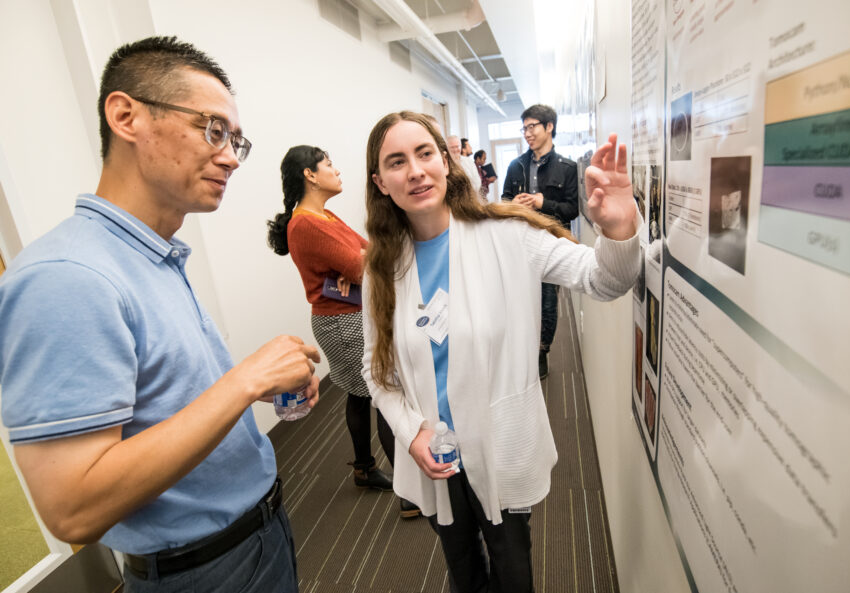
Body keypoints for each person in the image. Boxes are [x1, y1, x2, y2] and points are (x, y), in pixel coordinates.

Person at [0, 36, 319, 592]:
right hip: (201, 572)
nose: (229, 156)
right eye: (213, 129)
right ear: (126, 117)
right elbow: (74, 507)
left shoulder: (151, 252)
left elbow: (156, 403)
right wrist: (244, 383)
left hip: (256, 536)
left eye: (236, 141)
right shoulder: (67, 277)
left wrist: (250, 385)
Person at [361, 110, 641, 593]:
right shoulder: (382, 267)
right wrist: (410, 436)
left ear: (447, 163)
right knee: (463, 573)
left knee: (514, 572)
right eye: (397, 162)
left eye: (426, 154)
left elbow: (605, 280)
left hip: (499, 447)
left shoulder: (509, 236)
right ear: (381, 182)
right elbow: (376, 368)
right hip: (436, 456)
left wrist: (618, 230)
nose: (415, 171)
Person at [265, 145, 420, 519]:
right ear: (309, 175)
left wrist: (370, 256)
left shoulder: (325, 216)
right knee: (382, 393)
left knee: (358, 391)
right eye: (329, 164)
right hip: (342, 322)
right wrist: (370, 258)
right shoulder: (305, 223)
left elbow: (370, 250)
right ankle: (408, 491)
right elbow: (361, 266)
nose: (337, 170)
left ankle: (364, 469)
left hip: (348, 316)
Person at [501, 104, 580, 380]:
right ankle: (522, 349)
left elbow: (572, 209)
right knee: (519, 299)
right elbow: (503, 202)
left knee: (547, 301)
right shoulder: (516, 166)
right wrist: (516, 205)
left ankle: (541, 352)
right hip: (519, 243)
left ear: (549, 127)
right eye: (524, 128)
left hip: (551, 244)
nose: (527, 133)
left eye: (532, 126)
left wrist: (542, 202)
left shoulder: (568, 168)